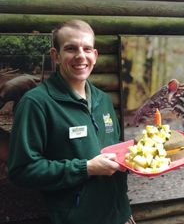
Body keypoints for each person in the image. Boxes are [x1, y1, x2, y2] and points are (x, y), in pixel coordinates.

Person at [8, 19, 135, 224]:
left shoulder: (103, 100)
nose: (80, 56)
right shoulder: (36, 103)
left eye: (87, 48)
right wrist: (86, 167)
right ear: (55, 56)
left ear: (95, 55)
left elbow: (115, 152)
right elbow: (22, 171)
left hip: (119, 215)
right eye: (71, 49)